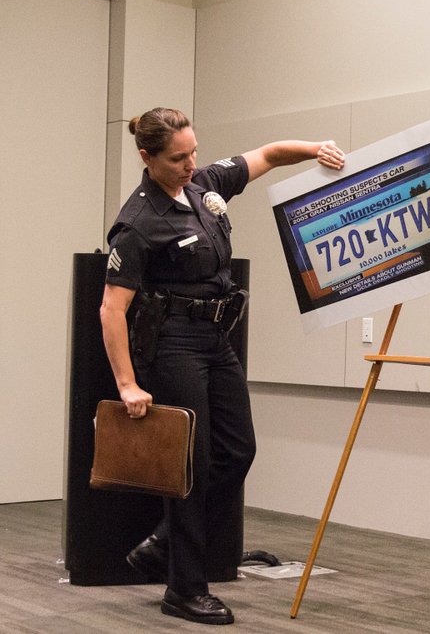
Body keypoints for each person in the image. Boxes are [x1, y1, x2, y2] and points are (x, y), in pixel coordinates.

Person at [99, 107, 345, 625]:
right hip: (174, 344)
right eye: (178, 158)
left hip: (217, 337)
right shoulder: (138, 223)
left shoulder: (204, 184)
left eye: (193, 151)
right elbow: (112, 308)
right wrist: (127, 383)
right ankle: (184, 589)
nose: (192, 164)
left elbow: (269, 154)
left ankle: (165, 544)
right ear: (147, 158)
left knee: (237, 451)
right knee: (190, 464)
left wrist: (315, 151)